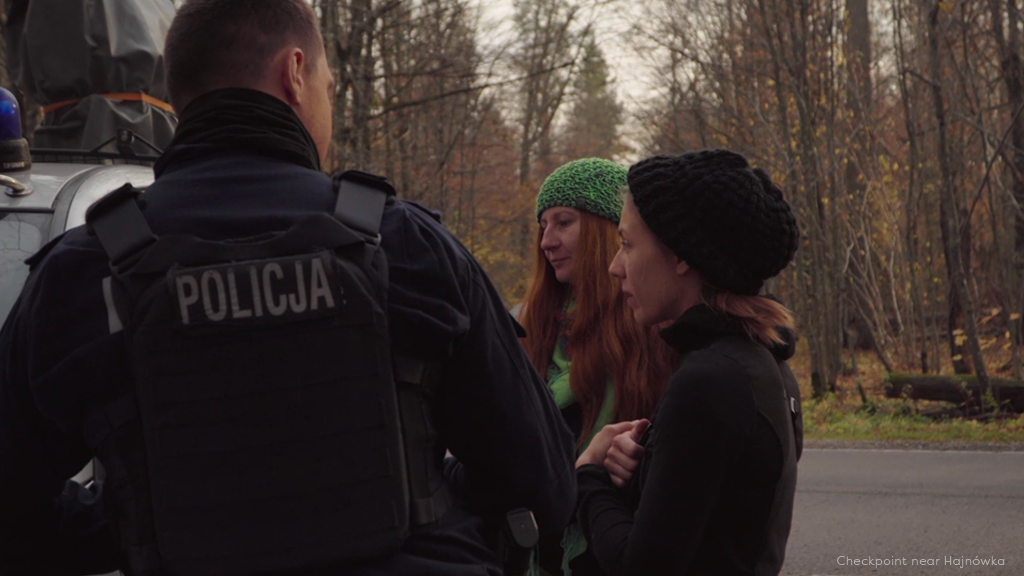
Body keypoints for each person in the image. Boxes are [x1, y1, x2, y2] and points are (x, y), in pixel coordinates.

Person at [0, 1, 577, 575]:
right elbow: (543, 484)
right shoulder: (408, 246)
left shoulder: (84, 272)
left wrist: (140, 518)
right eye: (328, 85)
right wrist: (420, 490)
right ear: (295, 72)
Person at [573, 150, 802, 575]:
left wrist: (589, 475)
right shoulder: (765, 366)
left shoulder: (709, 381)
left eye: (627, 244)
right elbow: (716, 527)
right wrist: (640, 475)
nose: (614, 267)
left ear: (681, 256)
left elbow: (641, 566)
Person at [517, 158, 677, 575]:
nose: (546, 241)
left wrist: (632, 462)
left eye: (563, 222)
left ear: (609, 231)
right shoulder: (528, 332)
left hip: (613, 548)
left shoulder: (656, 336)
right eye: (543, 226)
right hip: (534, 552)